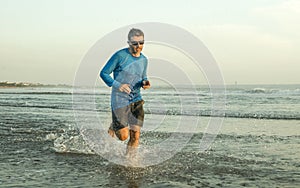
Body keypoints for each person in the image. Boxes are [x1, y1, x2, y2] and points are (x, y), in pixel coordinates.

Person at [100, 28, 150, 157]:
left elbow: (143, 76)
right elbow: (104, 73)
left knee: (135, 135)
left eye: (141, 43)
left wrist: (145, 82)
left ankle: (129, 161)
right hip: (119, 100)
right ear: (129, 42)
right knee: (123, 136)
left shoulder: (144, 60)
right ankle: (114, 126)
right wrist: (118, 85)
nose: (138, 46)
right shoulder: (120, 56)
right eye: (135, 43)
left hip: (136, 99)